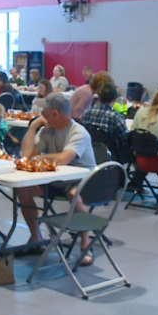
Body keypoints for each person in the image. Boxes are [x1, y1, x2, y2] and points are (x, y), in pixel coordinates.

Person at [15, 92, 97, 264]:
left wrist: (41, 158)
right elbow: (27, 155)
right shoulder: (47, 130)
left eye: (43, 110)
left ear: (55, 113)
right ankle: (36, 238)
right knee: (22, 189)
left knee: (75, 195)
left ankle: (85, 243)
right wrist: (32, 128)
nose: (40, 113)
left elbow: (65, 158)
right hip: (55, 178)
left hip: (81, 179)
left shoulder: (78, 132)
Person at [81, 82, 130, 162]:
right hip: (111, 156)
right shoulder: (115, 117)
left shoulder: (86, 113)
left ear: (99, 98)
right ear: (114, 100)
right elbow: (124, 140)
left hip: (89, 154)